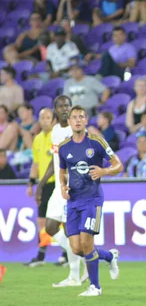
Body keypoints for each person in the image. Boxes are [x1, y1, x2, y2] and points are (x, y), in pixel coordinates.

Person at [58, 105, 121, 297]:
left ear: (86, 121)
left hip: (92, 200)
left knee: (87, 243)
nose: (77, 120)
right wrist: (62, 186)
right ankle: (109, 256)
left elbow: (118, 165)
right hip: (73, 201)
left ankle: (96, 287)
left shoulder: (96, 142)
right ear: (69, 122)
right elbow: (62, 172)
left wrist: (104, 171)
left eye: (81, 117)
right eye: (74, 117)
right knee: (77, 248)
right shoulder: (63, 147)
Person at [34, 96, 84, 287]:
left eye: (67, 105)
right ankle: (84, 255)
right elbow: (54, 160)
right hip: (57, 188)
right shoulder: (56, 131)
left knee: (70, 229)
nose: (64, 109)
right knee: (51, 228)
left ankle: (74, 275)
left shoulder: (76, 130)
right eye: (61, 106)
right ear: (55, 109)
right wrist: (41, 183)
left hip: (72, 187)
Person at [25, 108, 55, 266]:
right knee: (41, 222)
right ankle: (41, 256)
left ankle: (65, 255)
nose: (45, 120)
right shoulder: (37, 139)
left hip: (57, 183)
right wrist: (31, 182)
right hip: (43, 186)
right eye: (42, 117)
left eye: (48, 117)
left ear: (53, 120)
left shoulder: (57, 137)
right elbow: (35, 164)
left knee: (61, 220)